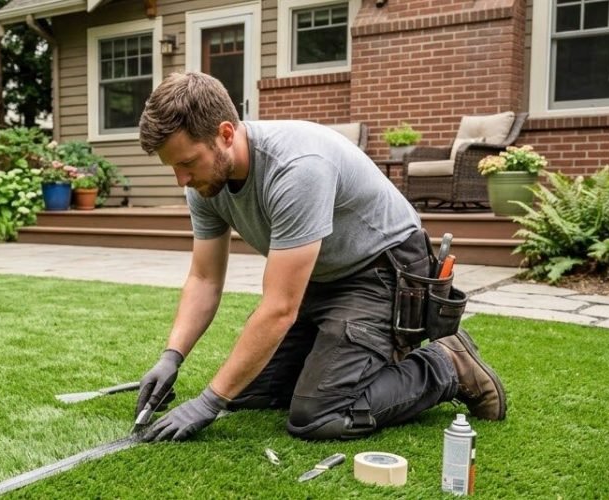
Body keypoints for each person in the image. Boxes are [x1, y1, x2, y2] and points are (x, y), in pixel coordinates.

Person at [132, 72, 506, 442]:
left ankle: (447, 364)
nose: (181, 179)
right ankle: (358, 359)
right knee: (248, 392)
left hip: (384, 273)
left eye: (187, 163)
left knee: (317, 415)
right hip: (323, 275)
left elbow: (280, 307)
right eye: (173, 167)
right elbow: (204, 279)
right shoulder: (205, 184)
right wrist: (172, 356)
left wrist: (209, 401)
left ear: (226, 134)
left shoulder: (296, 168)